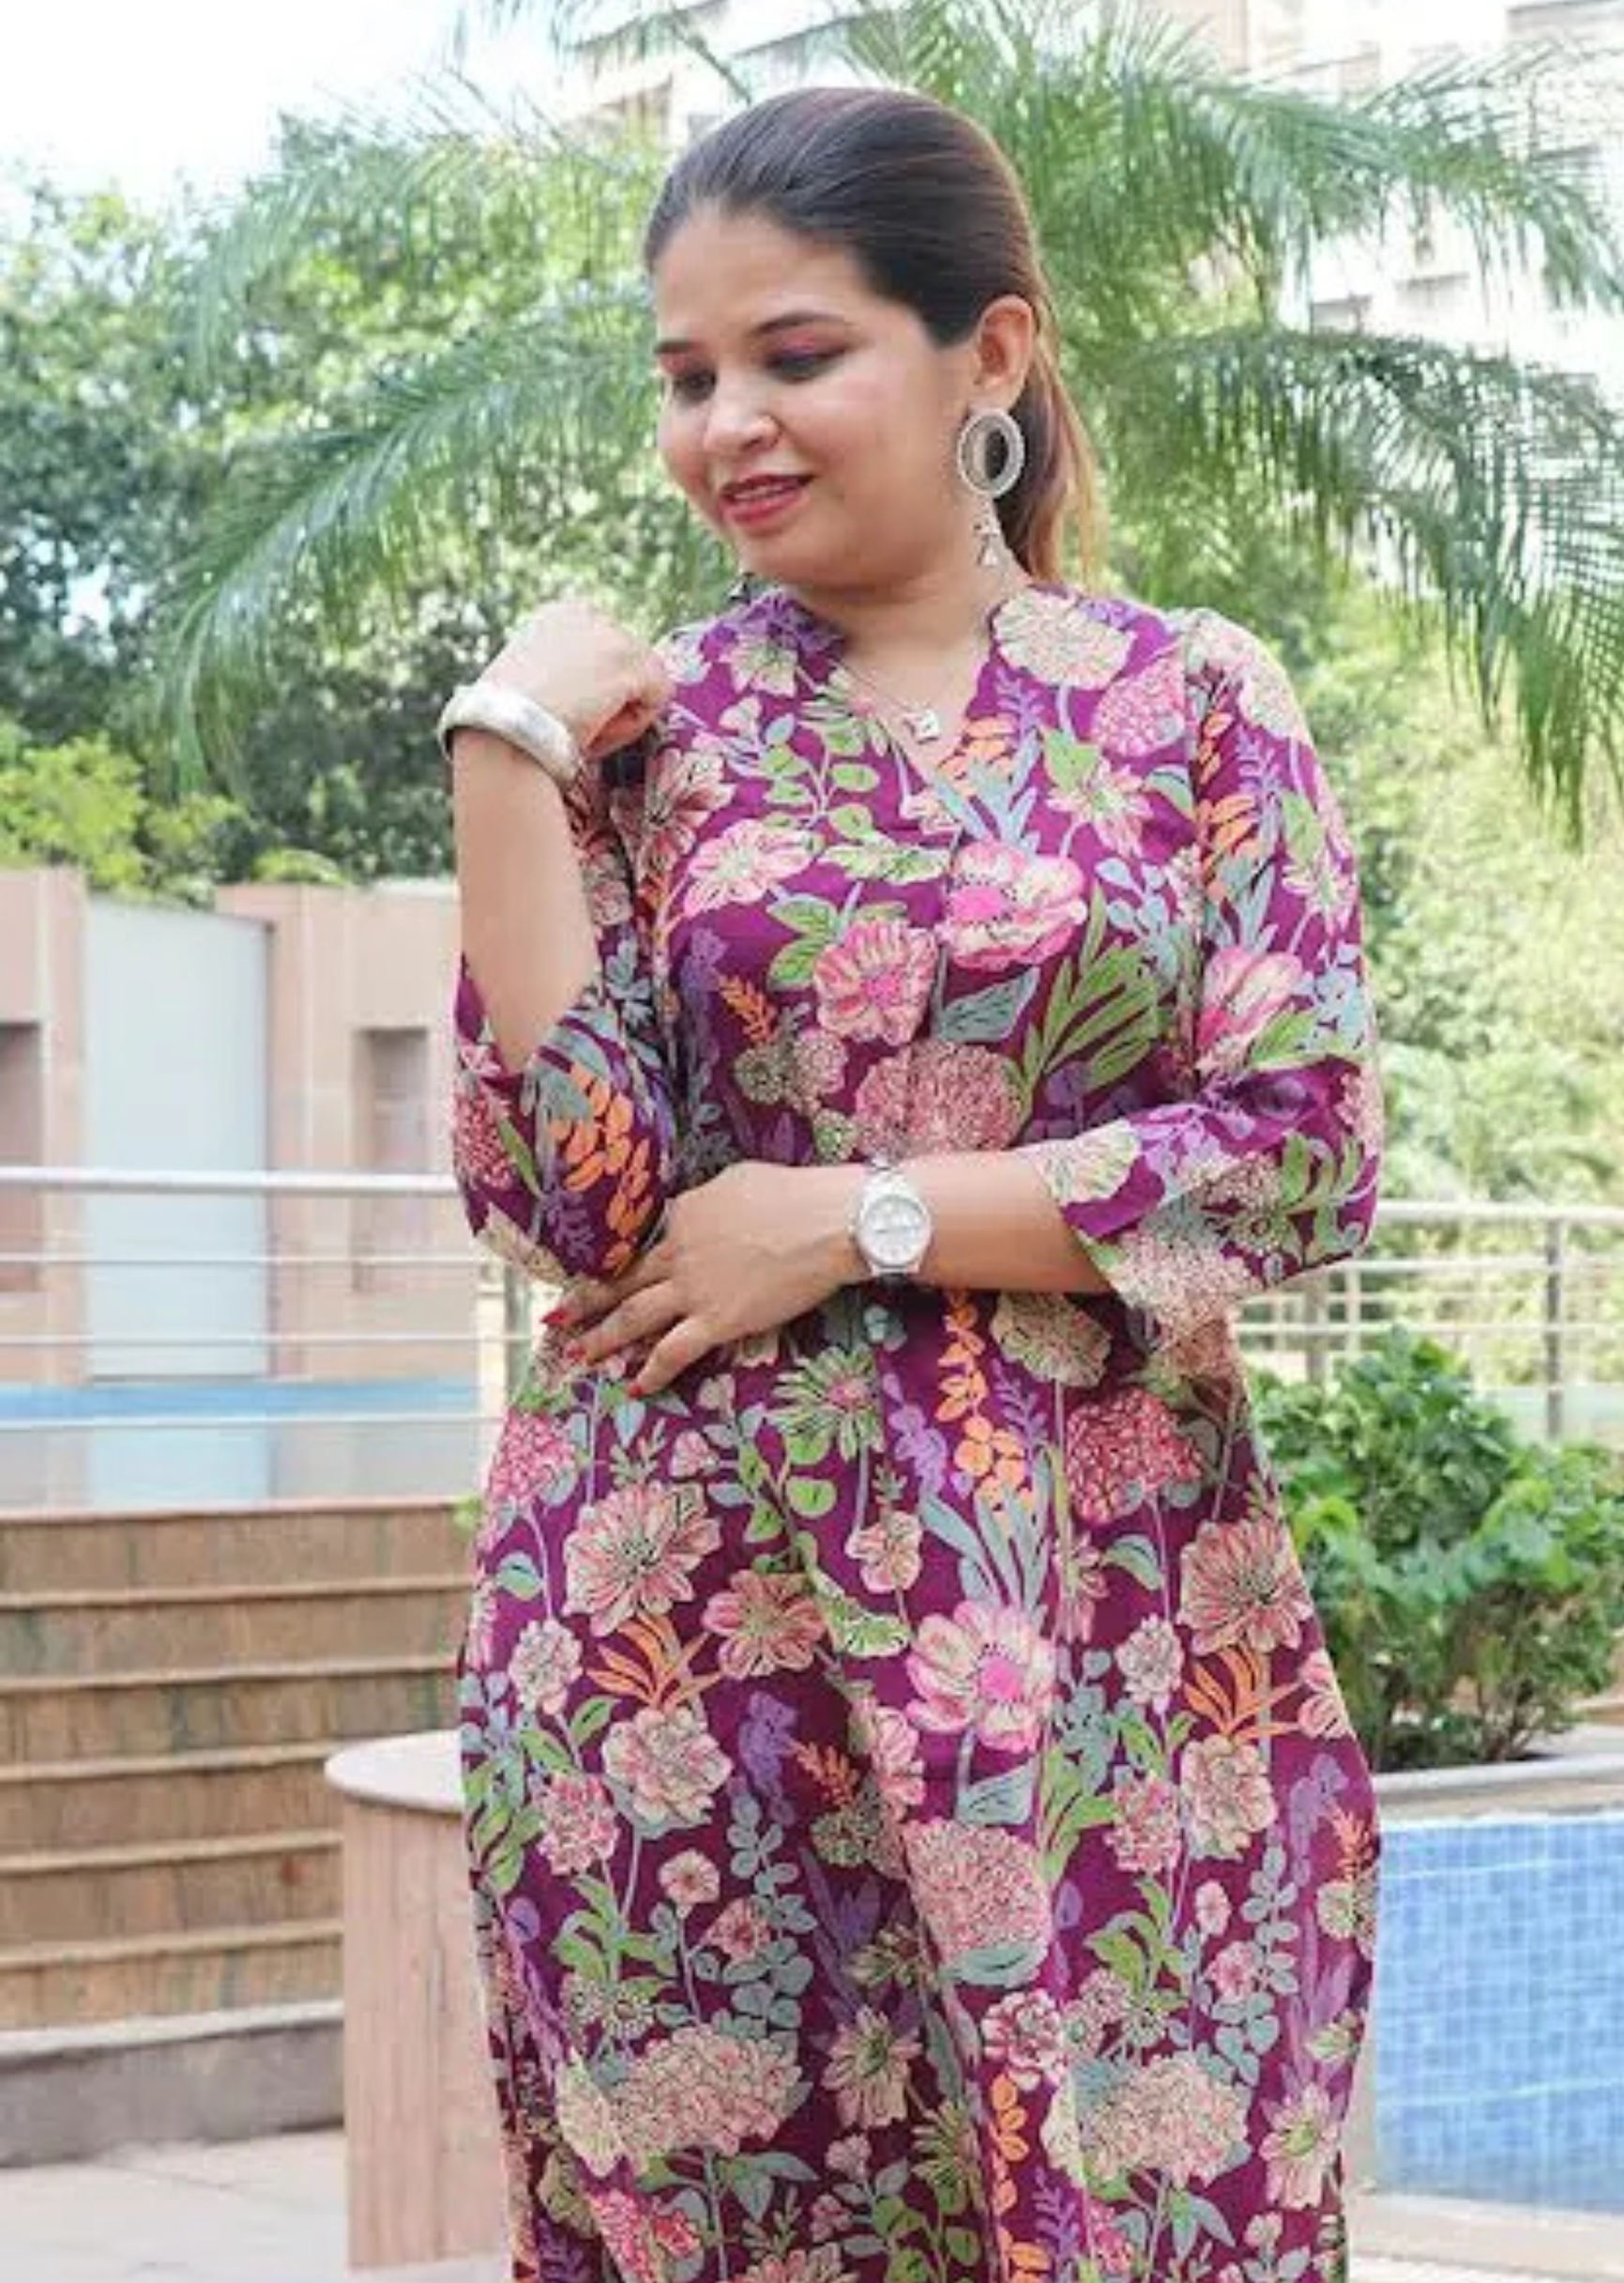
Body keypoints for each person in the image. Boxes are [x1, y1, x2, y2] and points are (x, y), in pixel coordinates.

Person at [445, 84, 1383, 2283]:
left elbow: (1299, 1153)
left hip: (1117, 1630)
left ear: (992, 354)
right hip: (689, 1647)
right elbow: (573, 1202)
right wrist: (501, 745)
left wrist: (849, 1215)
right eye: (686, 377)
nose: (726, 427)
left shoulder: (1191, 703)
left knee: (1154, 2206)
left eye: (794, 355)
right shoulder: (644, 742)